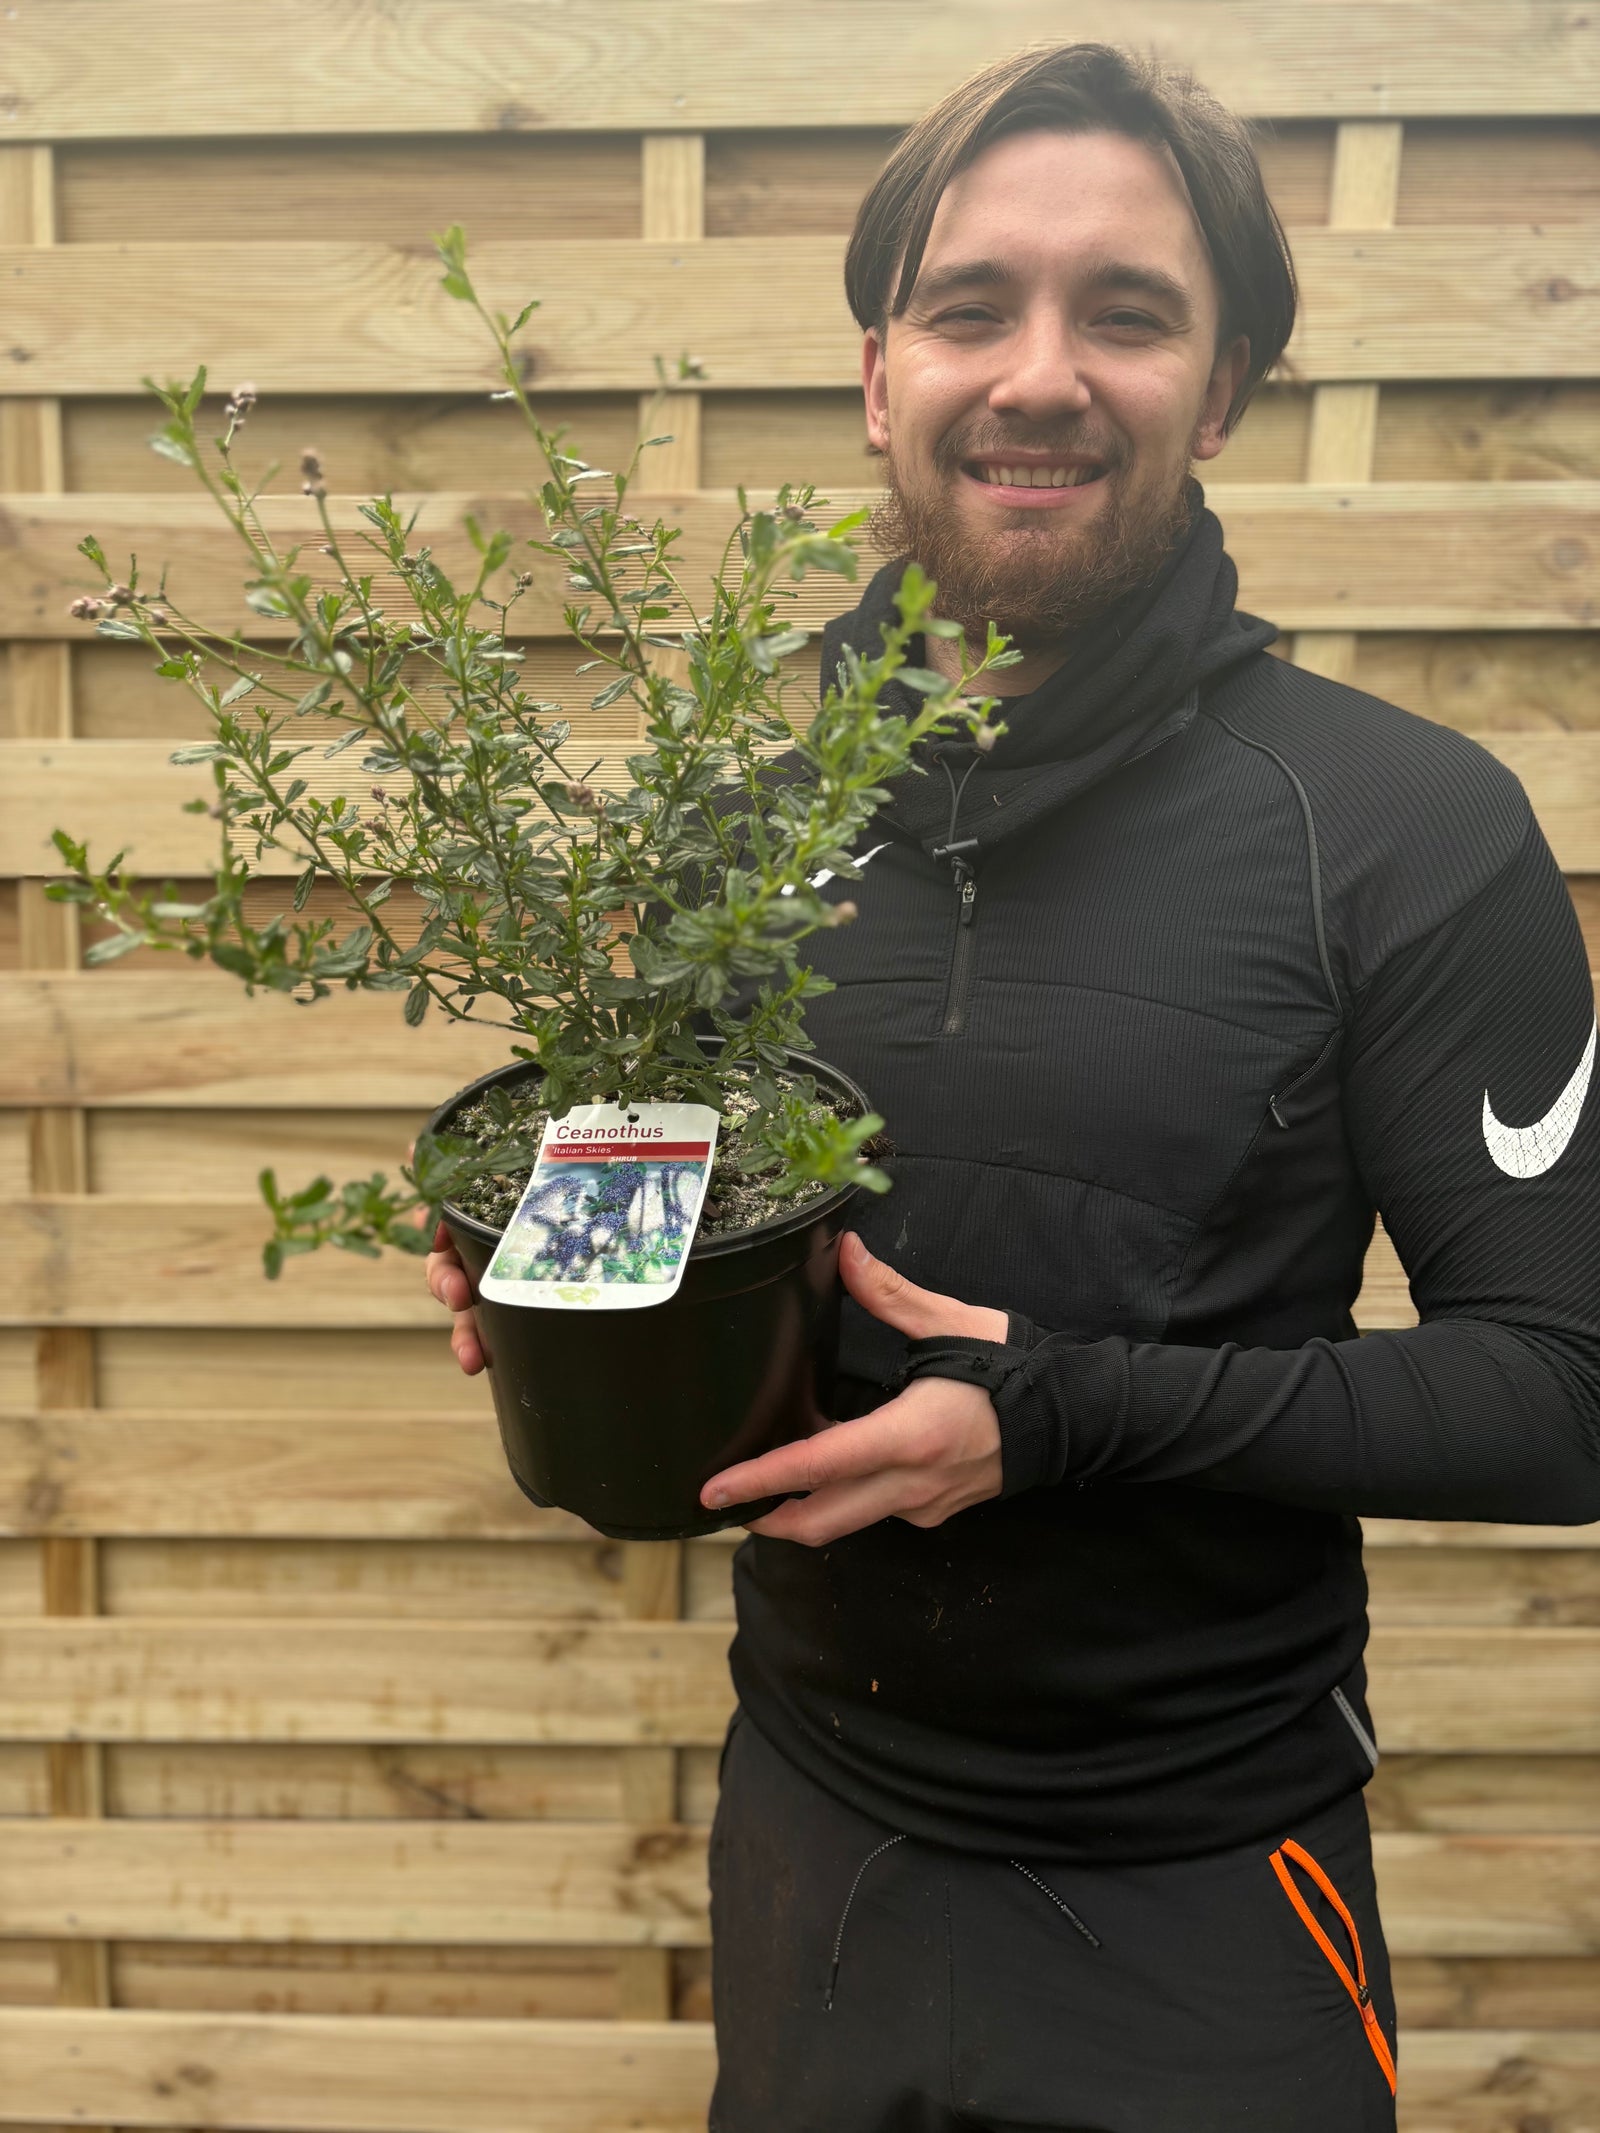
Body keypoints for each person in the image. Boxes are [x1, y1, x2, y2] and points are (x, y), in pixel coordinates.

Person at [427, 43, 1600, 2132]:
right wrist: (561, 1283)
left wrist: (1057, 1409)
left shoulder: (1398, 827)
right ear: (880, 377)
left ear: (1220, 387)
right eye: (971, 306)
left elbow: (1561, 1388)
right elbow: (693, 1233)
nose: (1038, 372)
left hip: (1206, 1885)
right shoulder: (741, 839)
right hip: (816, 1838)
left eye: (1125, 313)